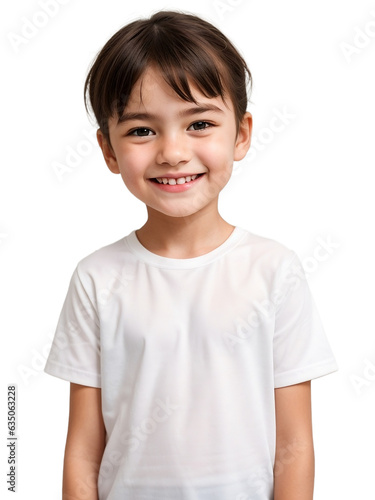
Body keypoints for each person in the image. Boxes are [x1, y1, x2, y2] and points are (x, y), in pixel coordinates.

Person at [44, 10, 338, 500]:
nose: (173, 152)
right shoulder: (96, 278)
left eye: (199, 123)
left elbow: (295, 442)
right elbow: (82, 449)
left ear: (241, 134)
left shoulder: (274, 270)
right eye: (142, 130)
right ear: (108, 149)